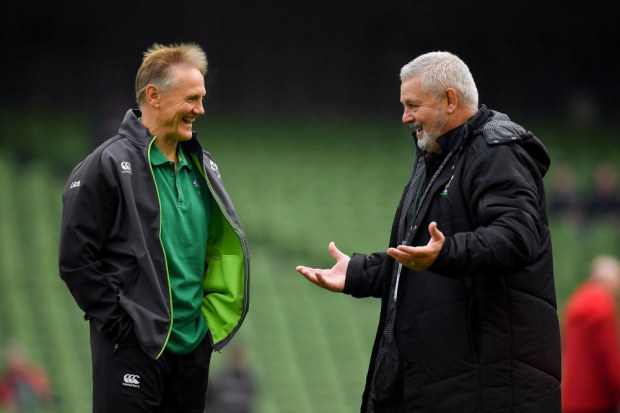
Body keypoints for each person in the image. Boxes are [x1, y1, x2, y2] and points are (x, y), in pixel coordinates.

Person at [296, 51, 561, 412]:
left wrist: (447, 251)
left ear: (449, 100)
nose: (405, 117)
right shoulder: (439, 157)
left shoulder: (496, 152)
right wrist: (360, 272)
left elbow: (516, 236)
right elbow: (424, 258)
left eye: (412, 105)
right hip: (450, 381)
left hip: (487, 389)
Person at [59, 43, 250, 413]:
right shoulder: (106, 164)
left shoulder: (204, 166)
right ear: (154, 96)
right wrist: (122, 329)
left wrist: (204, 335)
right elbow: (75, 260)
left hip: (193, 350)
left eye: (202, 98)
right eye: (191, 99)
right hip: (134, 351)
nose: (200, 109)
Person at [562, 255, 620, 413]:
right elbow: (609, 358)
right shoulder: (603, 307)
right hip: (597, 400)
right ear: (610, 281)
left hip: (572, 398)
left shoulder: (577, 300)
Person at [0, 342, 53, 411]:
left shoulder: (34, 374)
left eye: (18, 357)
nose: (16, 361)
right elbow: (5, 399)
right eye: (13, 358)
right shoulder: (6, 379)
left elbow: (45, 391)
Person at [205, 344, 256, 413]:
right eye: (234, 357)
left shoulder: (248, 379)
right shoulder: (219, 379)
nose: (236, 360)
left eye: (238, 357)